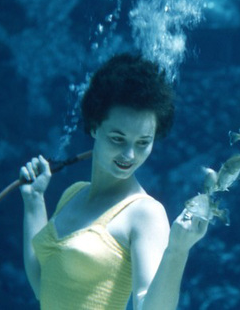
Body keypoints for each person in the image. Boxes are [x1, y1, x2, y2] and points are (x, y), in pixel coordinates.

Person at [19, 53, 207, 310]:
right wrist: (33, 201)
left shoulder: (146, 213)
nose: (129, 155)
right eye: (118, 139)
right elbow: (44, 286)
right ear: (95, 126)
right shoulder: (73, 194)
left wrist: (177, 252)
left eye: (143, 143)